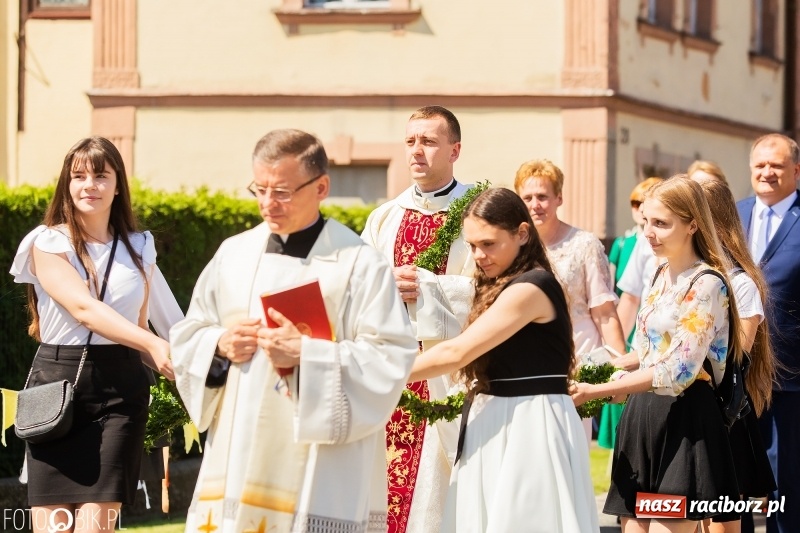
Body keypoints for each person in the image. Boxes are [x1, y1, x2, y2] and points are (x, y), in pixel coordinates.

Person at [171, 129, 417, 533]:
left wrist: (309, 354)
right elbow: (190, 331)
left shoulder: (360, 263)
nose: (268, 203)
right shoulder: (233, 254)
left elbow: (391, 357)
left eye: (282, 191)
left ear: (321, 187)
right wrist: (219, 344)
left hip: (320, 464)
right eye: (260, 189)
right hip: (240, 446)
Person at [406, 188, 599, 532]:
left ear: (522, 234)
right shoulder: (500, 283)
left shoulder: (532, 287)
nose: (479, 255)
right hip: (496, 416)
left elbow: (458, 352)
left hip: (531, 422)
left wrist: (377, 371)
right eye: (472, 245)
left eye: (489, 244)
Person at [9, 136, 175, 533]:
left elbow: (139, 327)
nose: (90, 185)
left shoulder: (140, 246)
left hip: (121, 392)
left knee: (95, 527)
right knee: (54, 528)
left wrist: (191, 372)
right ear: (67, 183)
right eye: (79, 175)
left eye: (101, 176)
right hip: (56, 385)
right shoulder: (47, 242)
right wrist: (153, 342)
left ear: (118, 185)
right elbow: (84, 309)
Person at [573, 175, 743, 531]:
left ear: (693, 224)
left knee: (671, 524)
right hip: (642, 416)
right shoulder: (660, 273)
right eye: (646, 221)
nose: (648, 232)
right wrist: (589, 372)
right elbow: (645, 352)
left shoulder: (707, 284)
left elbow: (679, 369)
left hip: (685, 422)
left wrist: (596, 391)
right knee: (632, 525)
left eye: (661, 223)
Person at [361, 105, 474, 533]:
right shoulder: (384, 217)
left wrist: (429, 288)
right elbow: (355, 290)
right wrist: (383, 283)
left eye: (428, 142)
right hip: (390, 371)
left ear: (455, 150)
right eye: (410, 142)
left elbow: (494, 292)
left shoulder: (476, 213)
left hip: (449, 372)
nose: (416, 152)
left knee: (438, 490)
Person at [514, 159, 626, 441]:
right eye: (527, 197)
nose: (535, 204)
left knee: (568, 440)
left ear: (558, 198)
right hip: (526, 354)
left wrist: (620, 370)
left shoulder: (584, 244)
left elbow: (605, 312)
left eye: (543, 196)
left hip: (576, 353)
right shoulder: (513, 246)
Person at [691, 173, 776, 533]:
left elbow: (733, 357)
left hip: (720, 415)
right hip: (681, 410)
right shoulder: (674, 275)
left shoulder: (741, 285)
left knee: (721, 522)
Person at [736, 133, 800, 533]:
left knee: (786, 474)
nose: (767, 172)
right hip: (735, 368)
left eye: (776, 165)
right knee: (736, 470)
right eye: (760, 165)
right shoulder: (732, 215)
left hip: (791, 371)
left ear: (796, 170)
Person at [598, 176, 663, 452]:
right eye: (640, 210)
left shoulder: (703, 280)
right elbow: (629, 296)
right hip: (643, 345)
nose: (648, 231)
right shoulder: (632, 244)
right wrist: (620, 353)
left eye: (659, 222)